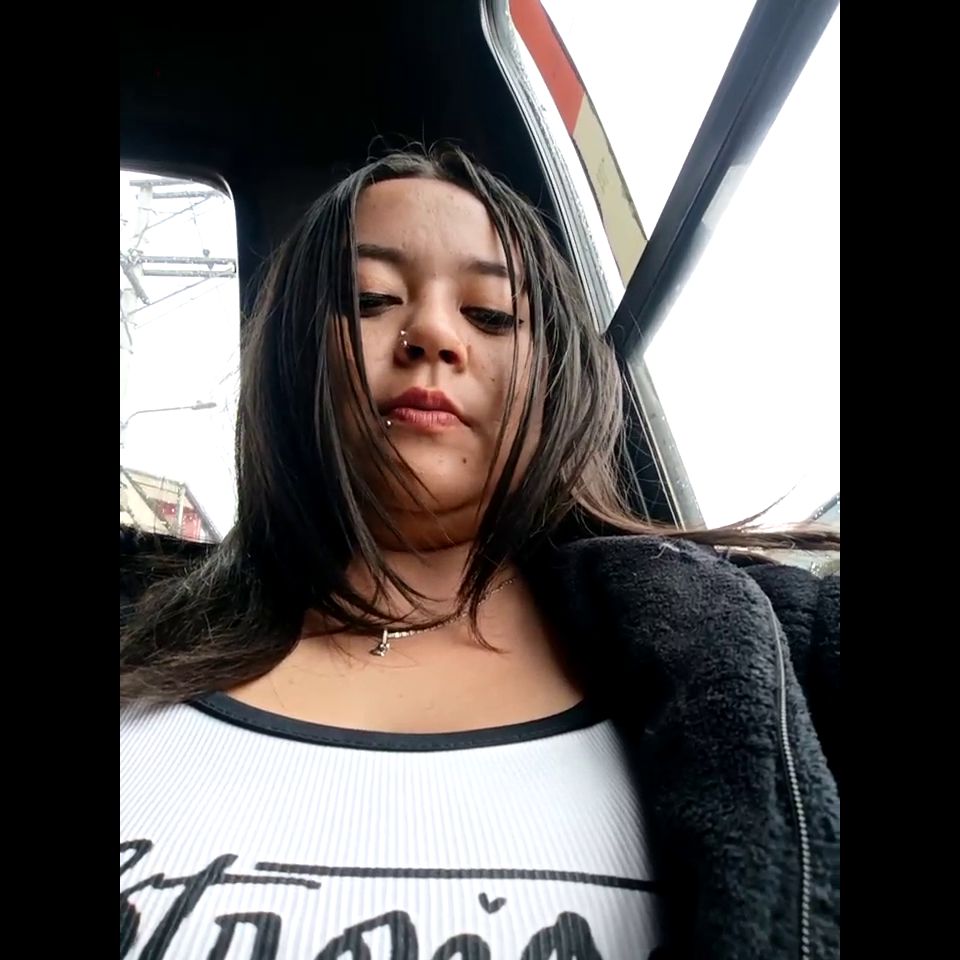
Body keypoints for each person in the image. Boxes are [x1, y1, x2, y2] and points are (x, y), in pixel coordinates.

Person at [120, 146, 839, 960]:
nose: (431, 331)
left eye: (492, 313)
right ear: (290, 355)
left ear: (555, 377)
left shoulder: (775, 649)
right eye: (369, 298)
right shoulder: (139, 649)